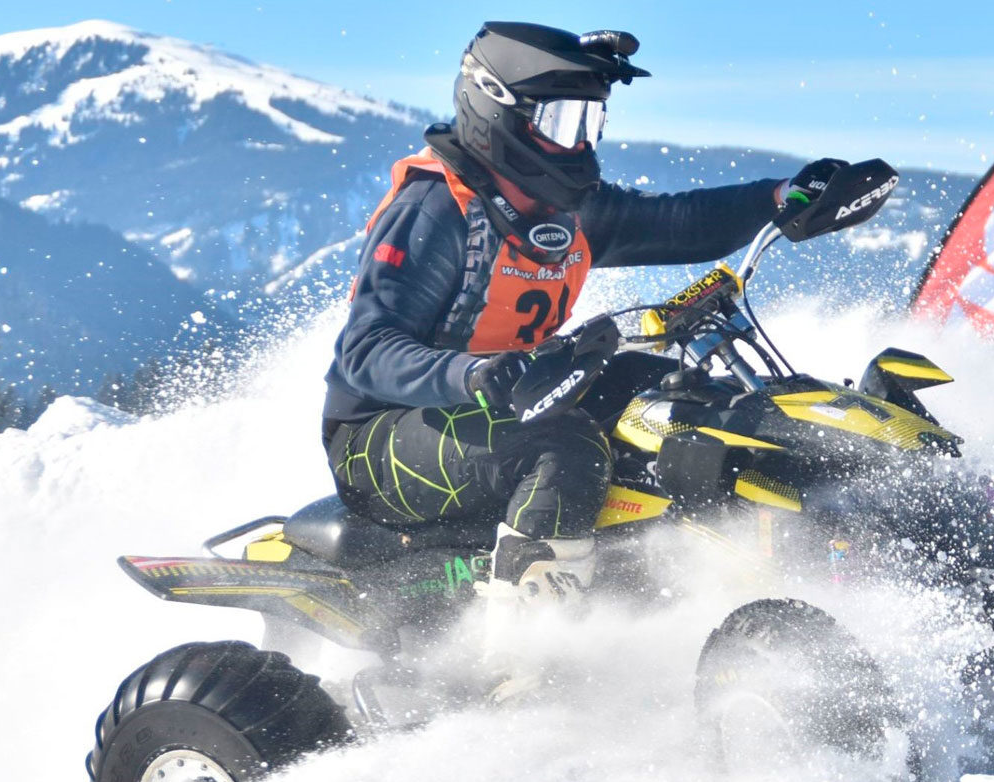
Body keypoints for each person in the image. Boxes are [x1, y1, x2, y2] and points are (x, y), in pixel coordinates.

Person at [321, 21, 843, 636]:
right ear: (498, 112)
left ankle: (779, 560)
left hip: (516, 398)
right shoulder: (437, 209)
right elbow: (366, 351)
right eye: (563, 121)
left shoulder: (568, 211)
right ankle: (525, 656)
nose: (580, 144)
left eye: (591, 122)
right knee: (562, 446)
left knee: (674, 402)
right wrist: (472, 374)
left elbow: (677, 222)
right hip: (381, 435)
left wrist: (782, 196)